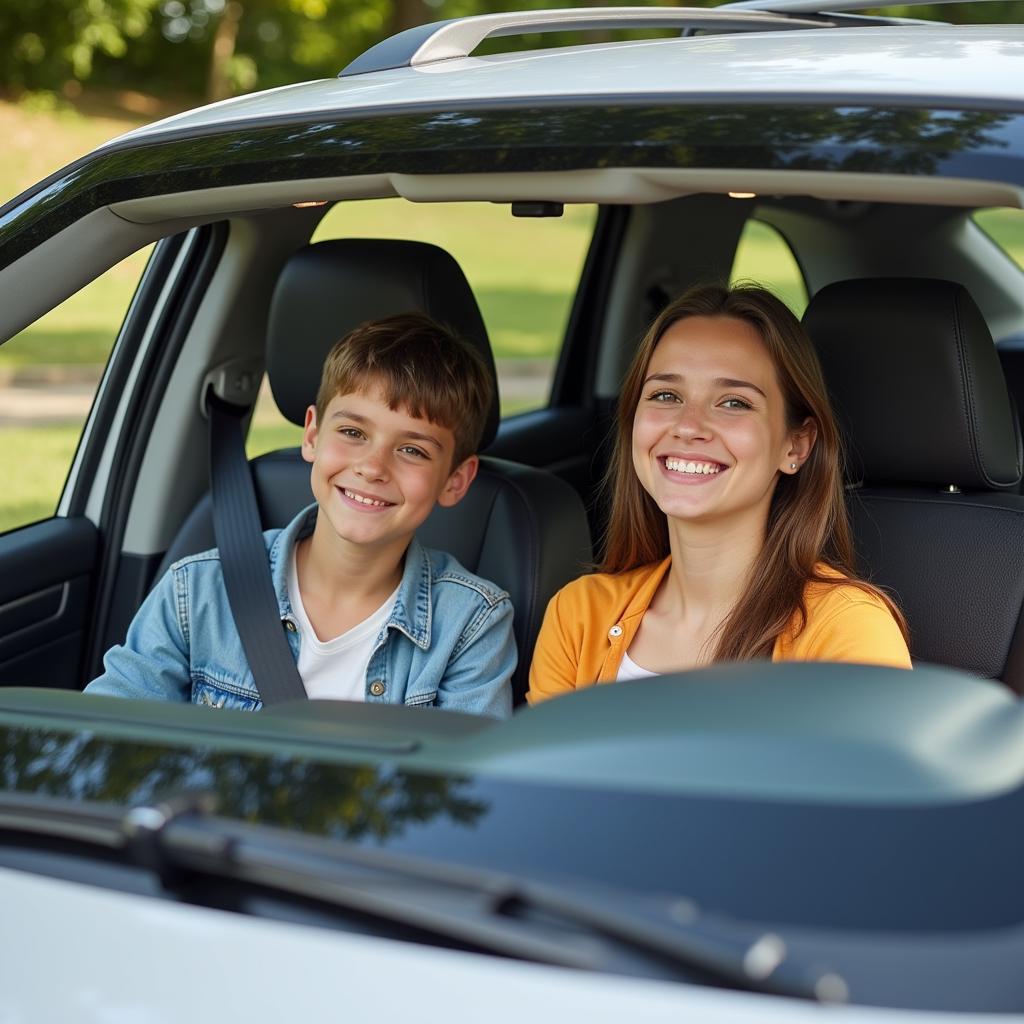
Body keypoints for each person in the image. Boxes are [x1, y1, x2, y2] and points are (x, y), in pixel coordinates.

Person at [88, 313, 515, 717]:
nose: (372, 467)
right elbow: (101, 737)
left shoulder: (470, 624)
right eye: (352, 432)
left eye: (412, 450)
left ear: (455, 481)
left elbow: (468, 786)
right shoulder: (198, 593)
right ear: (312, 435)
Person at [527, 282, 910, 704]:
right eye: (666, 395)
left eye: (733, 403)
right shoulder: (579, 615)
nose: (689, 426)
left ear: (795, 446)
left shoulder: (846, 628)